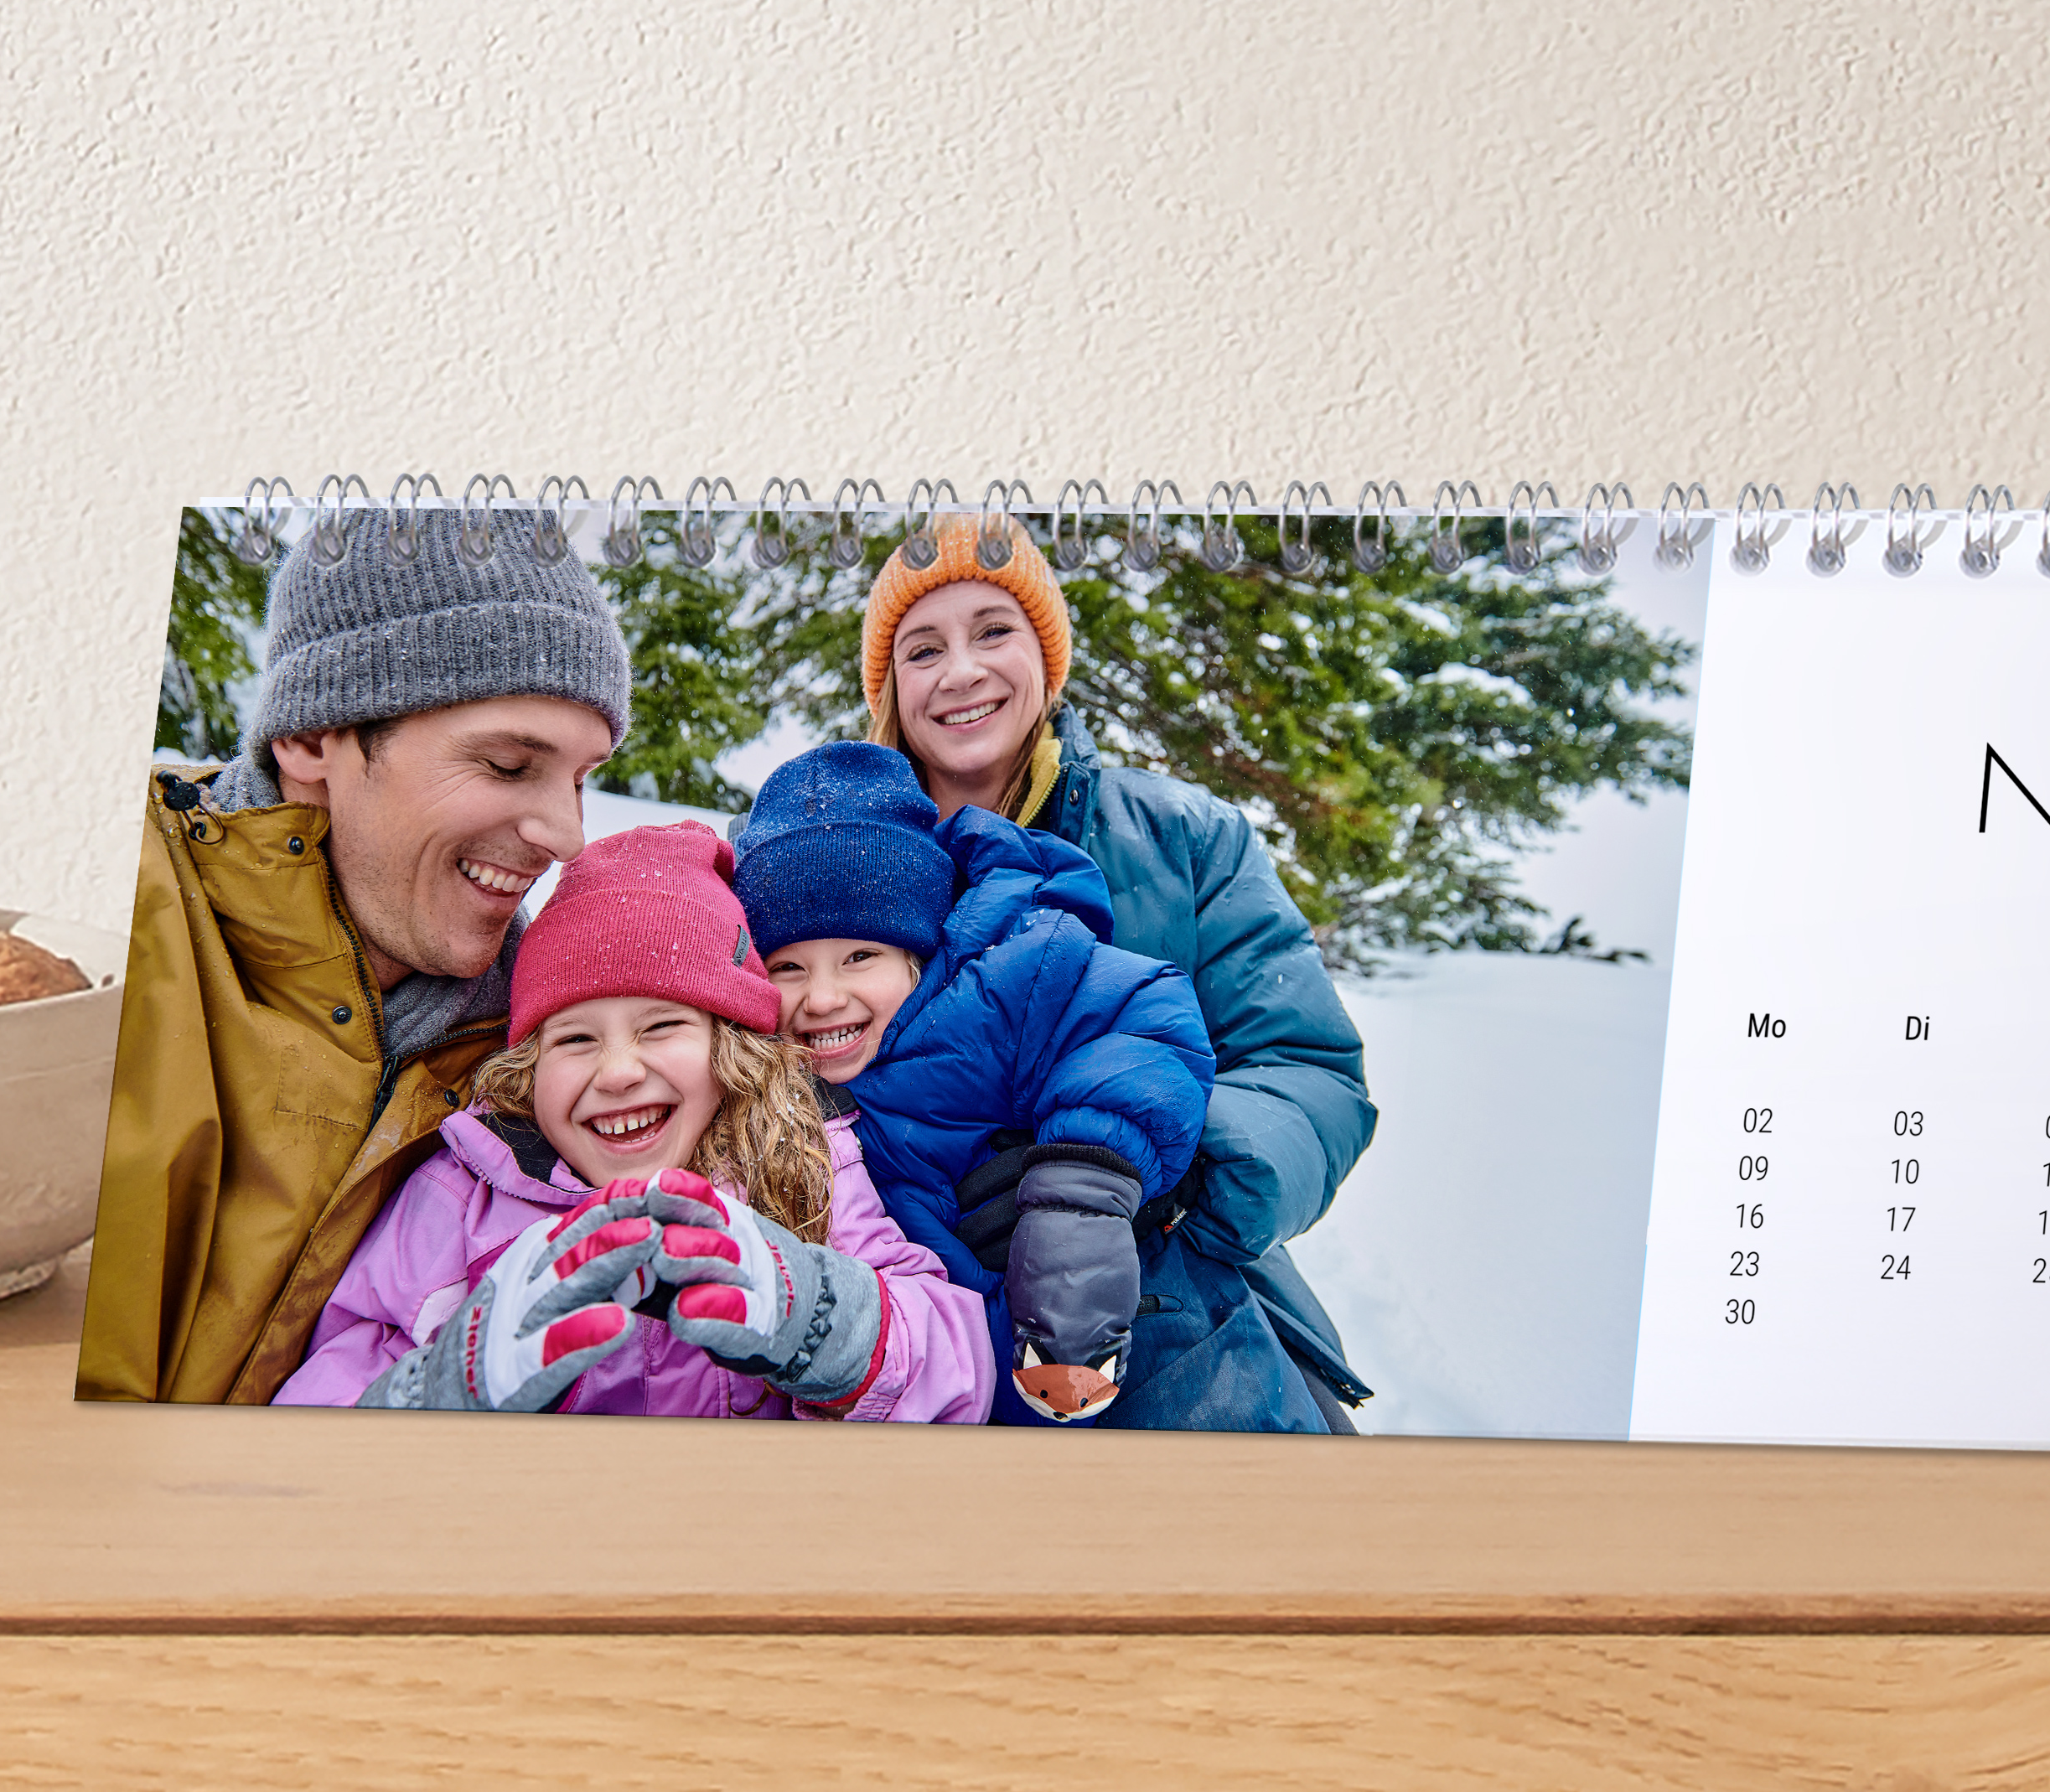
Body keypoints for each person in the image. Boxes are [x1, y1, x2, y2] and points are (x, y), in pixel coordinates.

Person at [79, 505, 636, 1404]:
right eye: (505, 764)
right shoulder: (117, 933)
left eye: (581, 778)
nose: (566, 834)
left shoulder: (537, 1056)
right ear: (309, 738)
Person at [858, 513, 1373, 1430]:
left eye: (993, 631)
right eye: (922, 648)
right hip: (909, 1319)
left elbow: (1309, 1072)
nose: (961, 671)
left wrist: (1146, 1177)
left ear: (1046, 661)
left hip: (1178, 1316)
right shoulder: (842, 859)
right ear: (890, 689)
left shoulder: (1184, 839)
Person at [277, 821, 989, 1420]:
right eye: (575, 1038)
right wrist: (439, 1392)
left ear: (729, 1046)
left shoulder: (802, 1163)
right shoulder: (464, 1194)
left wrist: (823, 1323)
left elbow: (960, 1366)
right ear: (528, 1064)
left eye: (660, 1026)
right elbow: (328, 1398)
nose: (617, 1071)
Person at [734, 743, 1211, 1420]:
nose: (823, 997)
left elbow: (1141, 1016)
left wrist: (1080, 1188)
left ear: (919, 951)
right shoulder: (765, 1076)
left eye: (859, 956)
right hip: (922, 1371)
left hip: (1067, 1335)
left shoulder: (998, 985)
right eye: (789, 967)